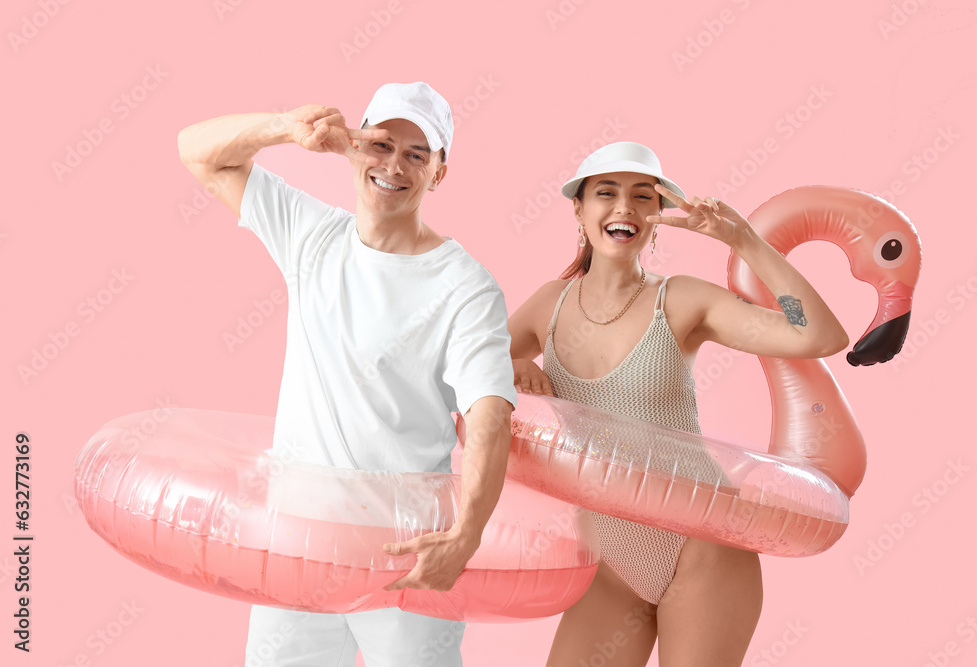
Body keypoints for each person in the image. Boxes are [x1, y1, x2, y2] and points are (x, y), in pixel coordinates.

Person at [177, 82, 517, 667]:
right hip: (297, 543)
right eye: (381, 144)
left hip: (404, 553)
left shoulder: (465, 286)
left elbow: (489, 415)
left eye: (417, 154)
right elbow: (197, 151)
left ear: (439, 173)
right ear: (355, 148)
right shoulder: (313, 234)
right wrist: (286, 126)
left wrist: (466, 535)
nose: (394, 165)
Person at [506, 141, 849, 666]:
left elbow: (818, 336)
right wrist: (509, 367)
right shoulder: (547, 307)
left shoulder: (682, 299)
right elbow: (456, 368)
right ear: (579, 208)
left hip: (703, 547)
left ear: (657, 216)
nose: (624, 208)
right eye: (606, 193)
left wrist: (744, 241)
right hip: (608, 560)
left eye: (643, 197)